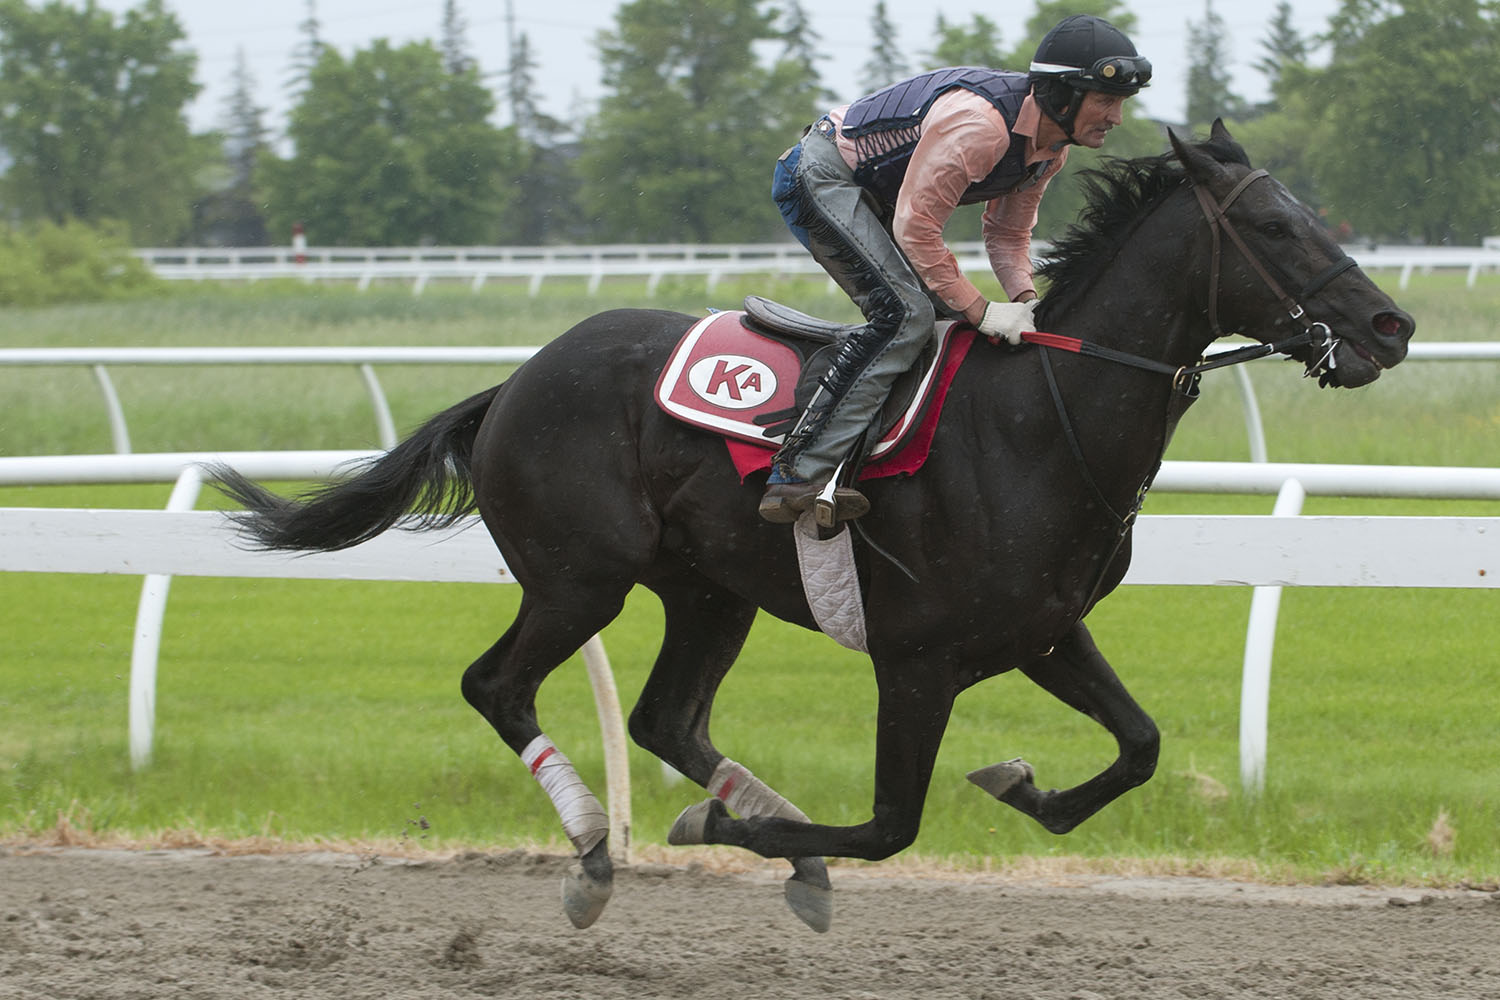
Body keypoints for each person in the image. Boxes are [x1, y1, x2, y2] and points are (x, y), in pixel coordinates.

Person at [759, 13, 1151, 527]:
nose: (1116, 117)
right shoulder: (981, 128)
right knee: (903, 317)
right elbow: (917, 228)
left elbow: (1008, 236)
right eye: (1105, 100)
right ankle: (797, 472)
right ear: (1062, 95)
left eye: (1121, 102)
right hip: (819, 175)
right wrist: (982, 308)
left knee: (941, 322)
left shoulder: (1049, 152)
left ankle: (868, 465)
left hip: (873, 195)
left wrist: (1028, 302)